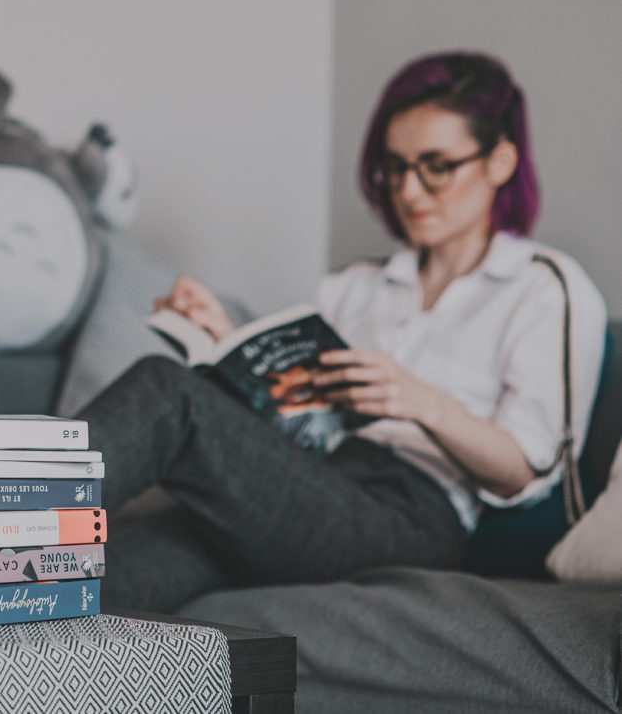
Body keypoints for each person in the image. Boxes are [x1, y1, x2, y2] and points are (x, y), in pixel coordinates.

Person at [80, 52, 607, 613]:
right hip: (308, 486)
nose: (409, 191)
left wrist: (421, 402)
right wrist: (224, 342)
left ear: (500, 162)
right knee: (105, 565)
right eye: (396, 167)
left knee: (167, 392)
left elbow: (527, 473)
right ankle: (7, 581)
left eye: (436, 166)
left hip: (410, 518)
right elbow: (297, 426)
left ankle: (10, 509)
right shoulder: (356, 286)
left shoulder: (542, 286)